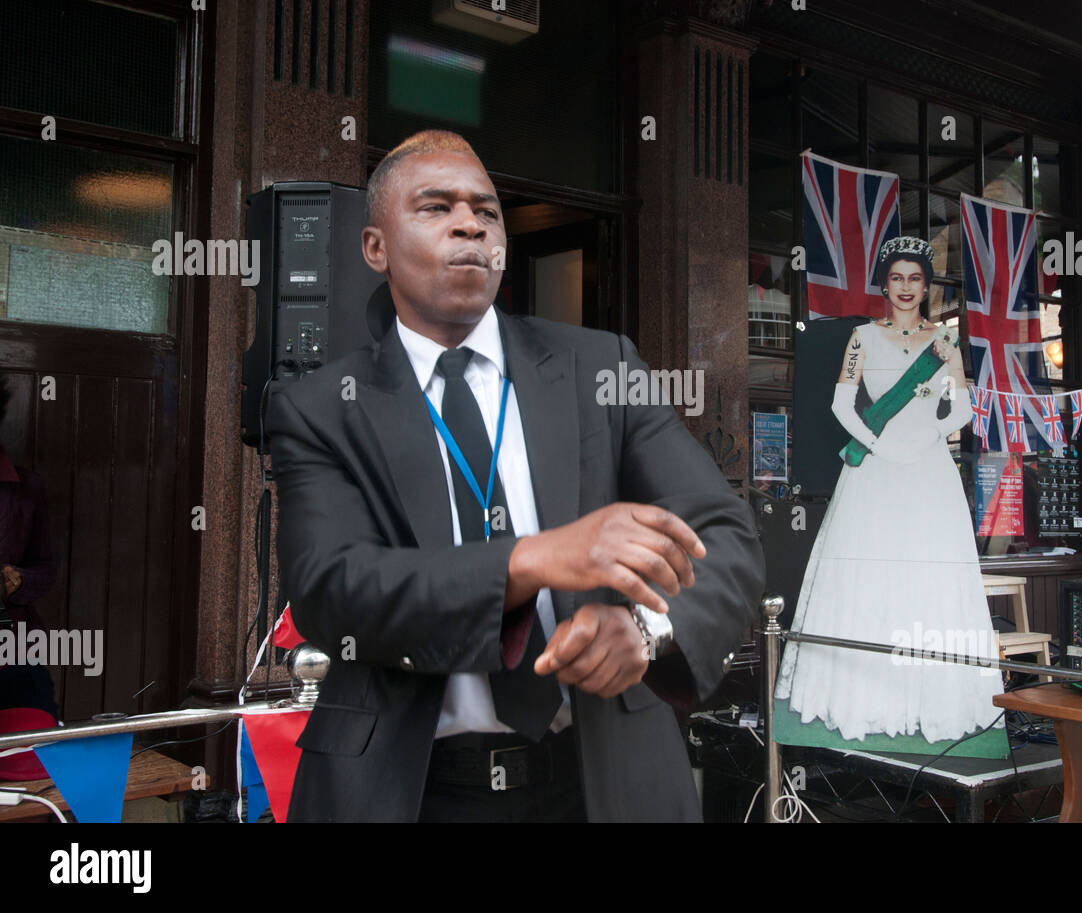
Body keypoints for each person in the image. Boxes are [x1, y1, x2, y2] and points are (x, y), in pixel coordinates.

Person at [265, 130, 763, 822]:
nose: (469, 222)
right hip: (411, 792)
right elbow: (333, 587)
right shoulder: (321, 406)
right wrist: (528, 561)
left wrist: (650, 631)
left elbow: (726, 534)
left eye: (486, 210)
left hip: (596, 787)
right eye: (436, 207)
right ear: (375, 247)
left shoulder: (602, 368)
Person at [775, 236, 1001, 746]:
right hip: (875, 469)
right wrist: (876, 442)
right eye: (896, 277)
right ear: (884, 283)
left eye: (915, 278)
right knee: (867, 579)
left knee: (929, 583)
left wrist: (954, 370)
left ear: (926, 285)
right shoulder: (862, 338)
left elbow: (961, 414)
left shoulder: (943, 341)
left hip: (929, 472)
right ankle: (863, 702)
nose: (905, 287)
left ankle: (933, 702)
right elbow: (841, 405)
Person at [0, 377, 59, 721]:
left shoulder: (26, 487)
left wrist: (19, 580)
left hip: (14, 648)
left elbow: (45, 569)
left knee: (36, 743)